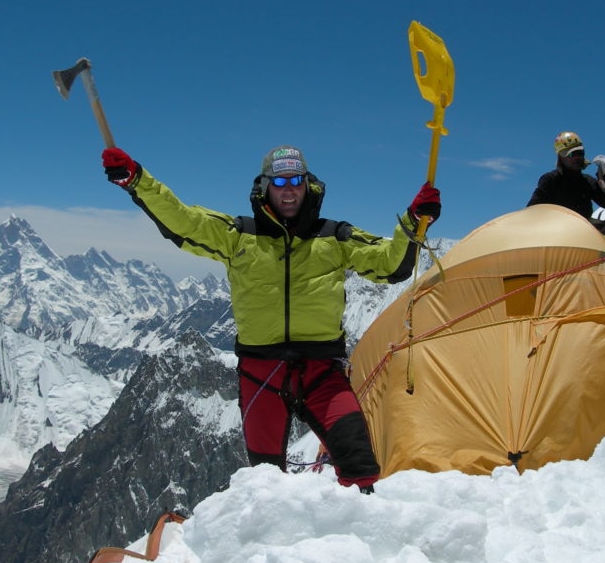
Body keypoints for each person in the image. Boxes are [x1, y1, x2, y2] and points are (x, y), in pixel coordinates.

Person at [101, 144, 441, 493]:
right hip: (260, 373)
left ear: (308, 185)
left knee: (360, 465)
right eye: (279, 182)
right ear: (265, 187)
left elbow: (390, 264)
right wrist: (137, 181)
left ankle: (360, 526)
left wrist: (414, 221)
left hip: (321, 371)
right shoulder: (238, 235)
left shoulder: (335, 237)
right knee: (265, 482)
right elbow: (183, 222)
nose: (288, 190)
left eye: (296, 181)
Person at [527, 131, 605, 221]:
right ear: (561, 157)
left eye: (580, 153)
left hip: (583, 228)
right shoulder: (550, 180)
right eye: (571, 154)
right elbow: (532, 210)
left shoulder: (588, 181)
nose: (577, 157)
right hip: (557, 228)